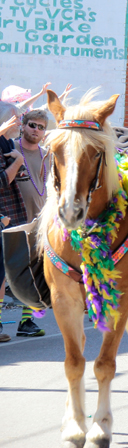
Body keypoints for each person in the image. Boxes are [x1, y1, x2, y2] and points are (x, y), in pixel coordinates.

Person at [0, 102, 45, 339]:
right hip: (10, 219)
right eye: (31, 124)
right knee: (3, 273)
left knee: (33, 271)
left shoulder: (46, 153)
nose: (35, 129)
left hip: (36, 221)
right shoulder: (11, 146)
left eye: (41, 127)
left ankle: (27, 321)